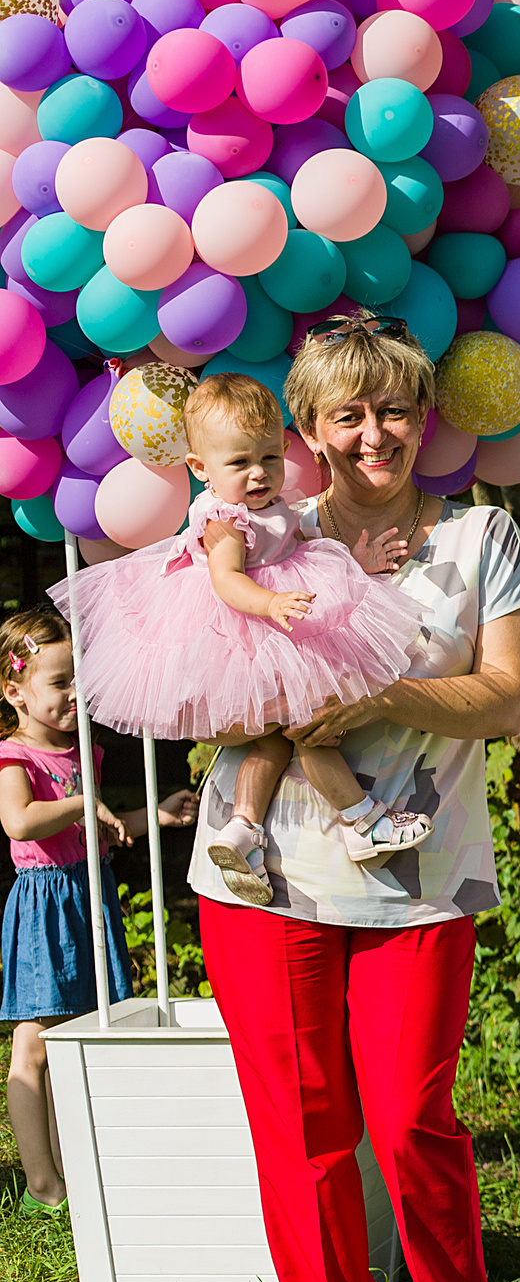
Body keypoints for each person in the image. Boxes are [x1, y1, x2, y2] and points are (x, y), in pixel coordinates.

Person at [187, 310, 520, 1282]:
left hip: (421, 874)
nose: (372, 433)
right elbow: (207, 671)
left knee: (410, 1119)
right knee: (302, 1123)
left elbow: (501, 699)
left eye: (393, 407)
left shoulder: (480, 539)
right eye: (345, 413)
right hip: (269, 876)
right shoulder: (265, 532)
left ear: (425, 416)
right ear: (306, 428)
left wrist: (382, 694)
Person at [50, 374, 433, 906]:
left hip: (279, 622)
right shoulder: (223, 519)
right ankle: (360, 818)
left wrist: (358, 567)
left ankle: (242, 829)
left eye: (270, 459)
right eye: (239, 464)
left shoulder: (276, 505)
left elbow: (303, 545)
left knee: (275, 738)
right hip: (248, 634)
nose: (259, 474)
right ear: (201, 469)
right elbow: (227, 581)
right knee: (308, 728)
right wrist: (271, 603)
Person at [0, 608, 194, 1211]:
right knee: (35, 1040)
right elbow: (19, 821)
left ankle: (70, 1161)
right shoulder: (15, 755)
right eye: (58, 683)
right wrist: (84, 801)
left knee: (80, 1032)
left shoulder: (84, 751)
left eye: (79, 679)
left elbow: (98, 831)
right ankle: (40, 1179)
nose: (74, 694)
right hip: (45, 903)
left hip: (89, 892)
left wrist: (154, 816)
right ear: (15, 690)